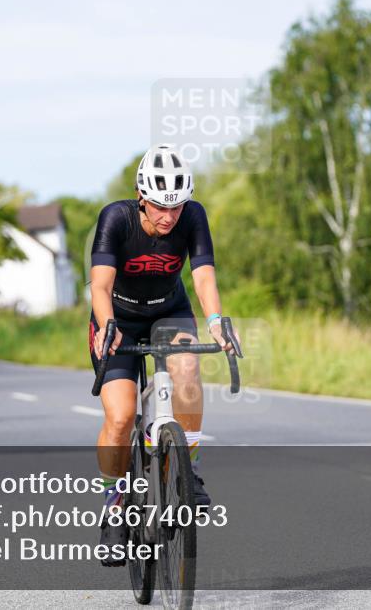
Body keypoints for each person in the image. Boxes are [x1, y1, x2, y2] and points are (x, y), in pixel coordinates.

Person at [88, 144, 239, 566]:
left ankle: (186, 469)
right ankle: (114, 507)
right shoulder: (115, 219)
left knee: (187, 370)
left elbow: (204, 275)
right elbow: (99, 286)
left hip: (170, 312)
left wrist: (215, 319)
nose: (168, 216)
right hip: (117, 317)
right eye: (159, 206)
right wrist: (106, 326)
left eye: (176, 206)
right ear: (141, 196)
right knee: (119, 416)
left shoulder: (193, 216)